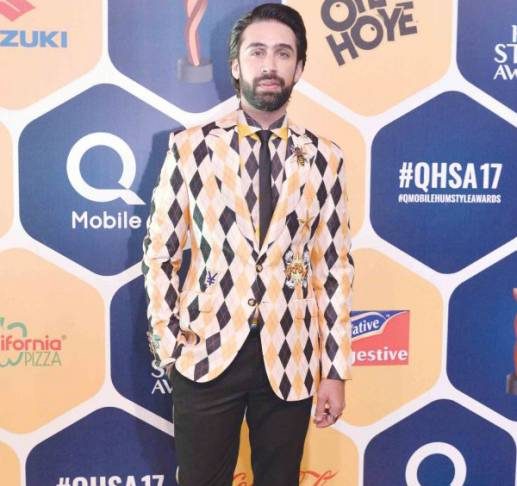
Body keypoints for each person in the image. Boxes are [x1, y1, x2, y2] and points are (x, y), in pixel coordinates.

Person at [142, 4, 354, 486]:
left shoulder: (325, 158)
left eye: (283, 53)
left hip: (291, 355)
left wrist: (335, 369)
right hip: (204, 352)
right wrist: (168, 344)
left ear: (299, 68)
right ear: (236, 66)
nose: (270, 65)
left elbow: (334, 268)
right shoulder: (191, 148)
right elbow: (160, 253)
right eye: (257, 52)